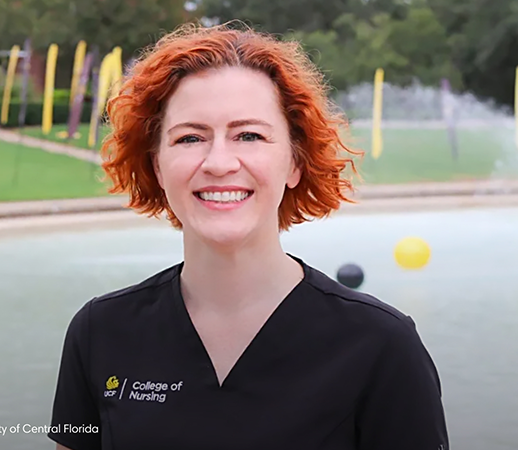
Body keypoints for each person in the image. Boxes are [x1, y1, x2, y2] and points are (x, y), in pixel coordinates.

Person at [47, 22, 449, 450]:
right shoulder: (99, 333)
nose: (219, 162)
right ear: (158, 166)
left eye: (249, 135)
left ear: (295, 161)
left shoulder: (383, 345)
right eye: (190, 137)